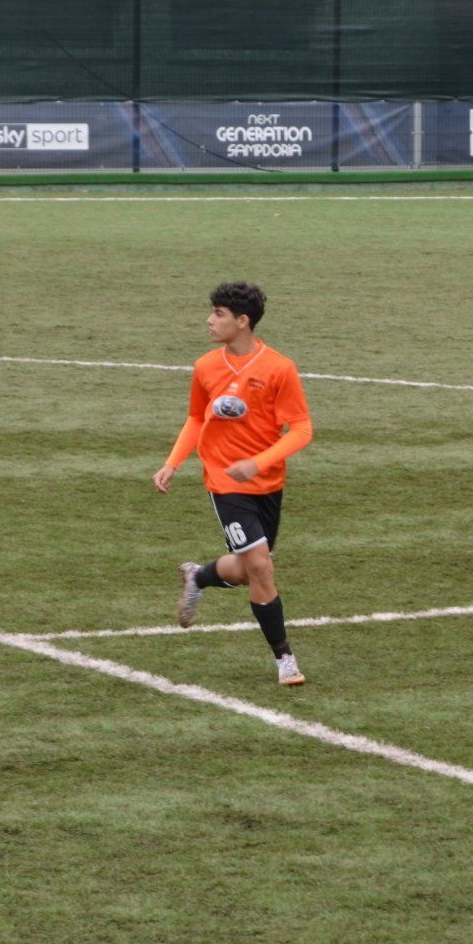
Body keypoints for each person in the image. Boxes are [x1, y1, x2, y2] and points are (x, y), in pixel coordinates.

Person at [154, 282, 315, 686]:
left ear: (243, 322)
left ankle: (200, 576)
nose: (210, 320)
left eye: (219, 314)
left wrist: (259, 462)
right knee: (262, 567)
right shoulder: (205, 366)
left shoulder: (279, 368)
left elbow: (301, 429)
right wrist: (173, 462)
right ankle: (285, 661)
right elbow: (196, 418)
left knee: (247, 570)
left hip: (267, 483)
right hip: (225, 483)